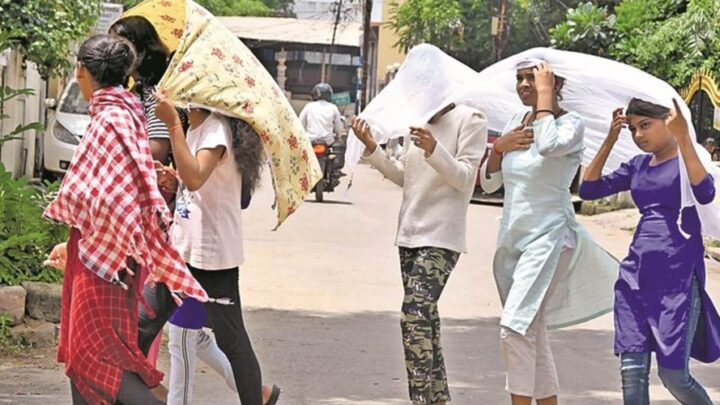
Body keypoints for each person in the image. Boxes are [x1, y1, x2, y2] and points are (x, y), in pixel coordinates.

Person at [43, 34, 207, 405]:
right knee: (84, 357)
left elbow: (108, 197)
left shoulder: (110, 117)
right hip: (104, 253)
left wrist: (93, 238)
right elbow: (125, 177)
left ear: (82, 71)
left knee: (93, 357)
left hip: (105, 259)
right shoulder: (125, 110)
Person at [480, 60, 618, 405]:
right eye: (520, 79)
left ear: (555, 83)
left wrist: (544, 98)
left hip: (551, 238)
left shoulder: (571, 124)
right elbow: (490, 182)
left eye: (534, 78)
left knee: (514, 327)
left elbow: (549, 145)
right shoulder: (516, 122)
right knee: (531, 332)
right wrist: (498, 148)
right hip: (512, 242)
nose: (525, 84)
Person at [580, 98, 720, 405]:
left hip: (678, 280)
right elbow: (587, 190)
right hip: (634, 277)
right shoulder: (637, 165)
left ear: (670, 122)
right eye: (633, 129)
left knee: (674, 377)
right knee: (631, 373)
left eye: (645, 125)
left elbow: (705, 192)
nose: (639, 135)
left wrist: (684, 138)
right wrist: (609, 140)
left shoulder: (688, 163)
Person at [146, 95, 280, 405]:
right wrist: (173, 180)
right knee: (148, 326)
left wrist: (171, 126)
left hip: (211, 257)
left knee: (232, 341)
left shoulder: (216, 129)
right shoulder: (197, 127)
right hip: (184, 251)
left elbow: (196, 177)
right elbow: (195, 183)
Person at [352, 100, 487, 404]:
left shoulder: (471, 119)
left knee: (412, 316)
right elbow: (406, 176)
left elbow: (466, 179)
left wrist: (434, 149)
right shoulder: (417, 120)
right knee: (427, 320)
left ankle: (421, 400)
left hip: (442, 236)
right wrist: (372, 147)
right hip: (410, 234)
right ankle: (437, 397)